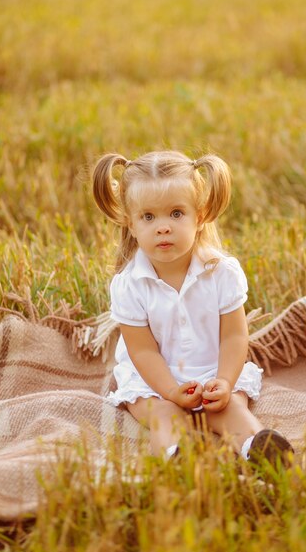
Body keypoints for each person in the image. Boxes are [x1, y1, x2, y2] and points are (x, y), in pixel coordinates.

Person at [92, 150, 293, 465]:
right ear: (130, 224)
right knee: (164, 415)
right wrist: (171, 391)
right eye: (148, 217)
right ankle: (180, 457)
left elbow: (234, 338)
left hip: (214, 371)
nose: (163, 227)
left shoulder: (221, 272)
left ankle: (259, 448)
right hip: (153, 381)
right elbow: (142, 352)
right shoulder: (129, 284)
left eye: (175, 213)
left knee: (231, 410)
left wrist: (225, 382)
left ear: (199, 217)